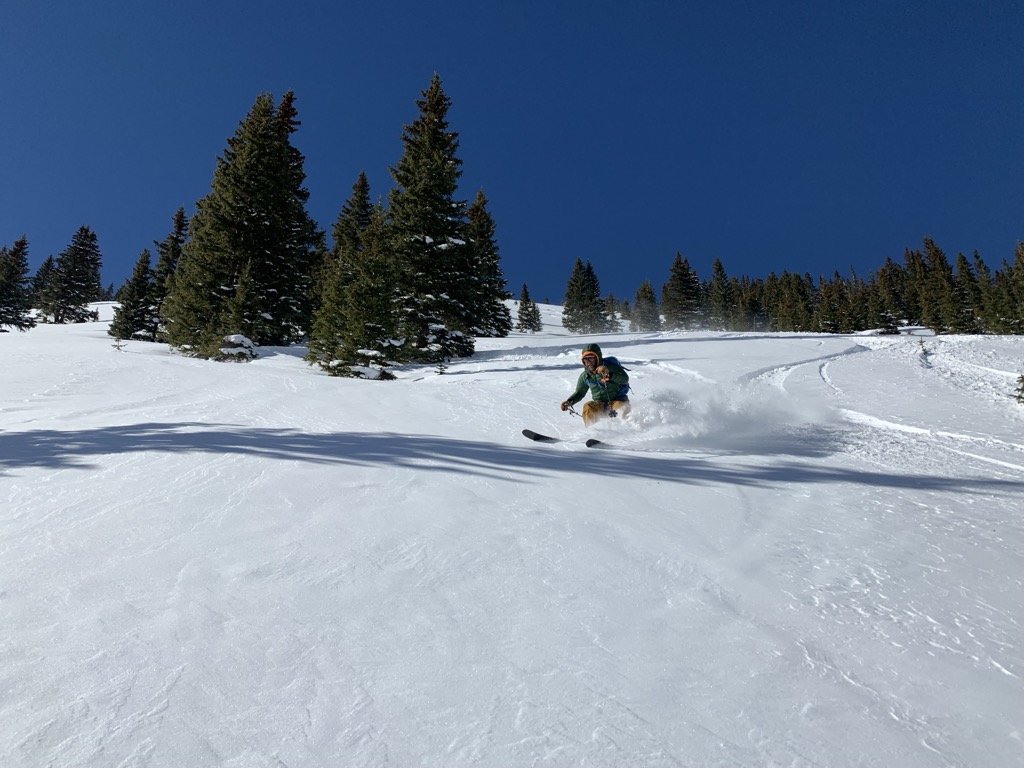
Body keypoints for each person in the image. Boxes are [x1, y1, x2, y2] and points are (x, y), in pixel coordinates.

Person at [560, 343, 631, 427]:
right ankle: (593, 433)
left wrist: (609, 375)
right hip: (600, 404)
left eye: (591, 359)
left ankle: (627, 432)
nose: (589, 363)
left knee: (621, 409)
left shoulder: (610, 367)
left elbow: (625, 379)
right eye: (586, 360)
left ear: (598, 358)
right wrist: (569, 402)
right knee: (588, 407)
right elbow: (580, 392)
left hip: (618, 400)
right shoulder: (585, 376)